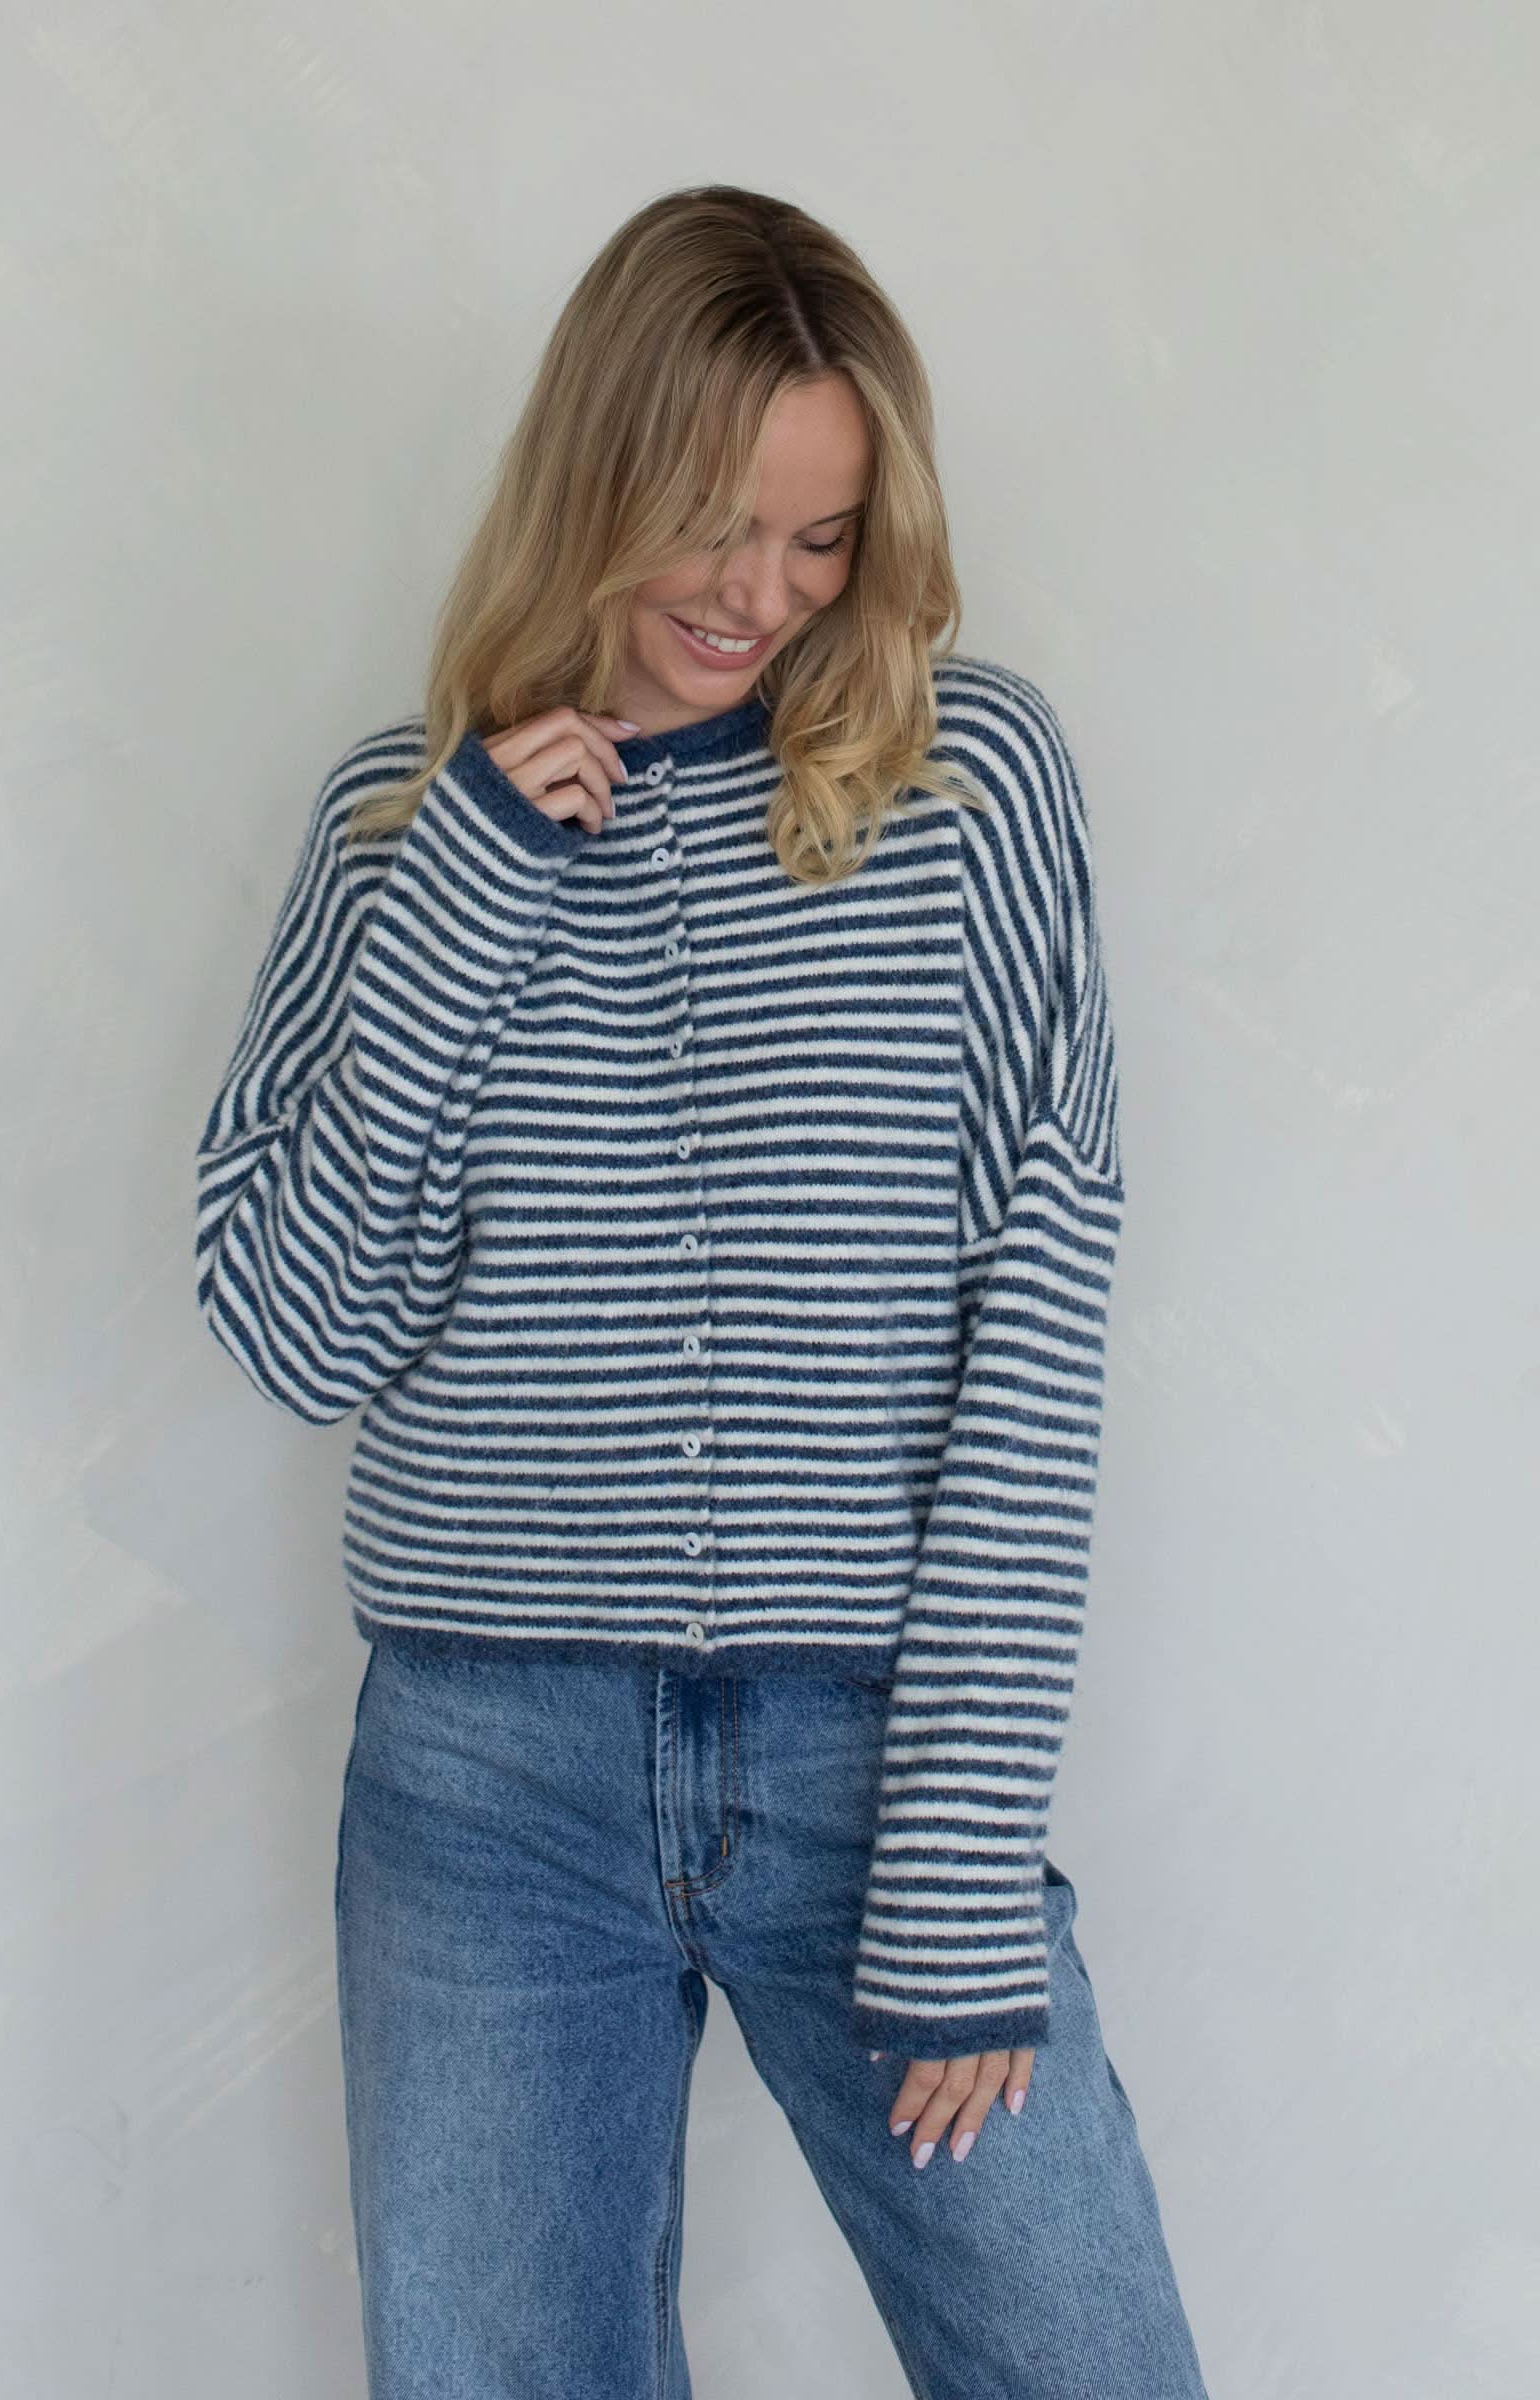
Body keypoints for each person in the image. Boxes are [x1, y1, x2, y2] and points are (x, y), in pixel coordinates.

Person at [193, 184, 1210, 2398]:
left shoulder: (966, 794)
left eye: (822, 538)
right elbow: (291, 1328)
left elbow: (1033, 1329)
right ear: (594, 479)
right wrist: (460, 901)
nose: (763, 598)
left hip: (881, 1763)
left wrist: (955, 1863)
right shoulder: (397, 825)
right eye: (711, 522)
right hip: (483, 1778)